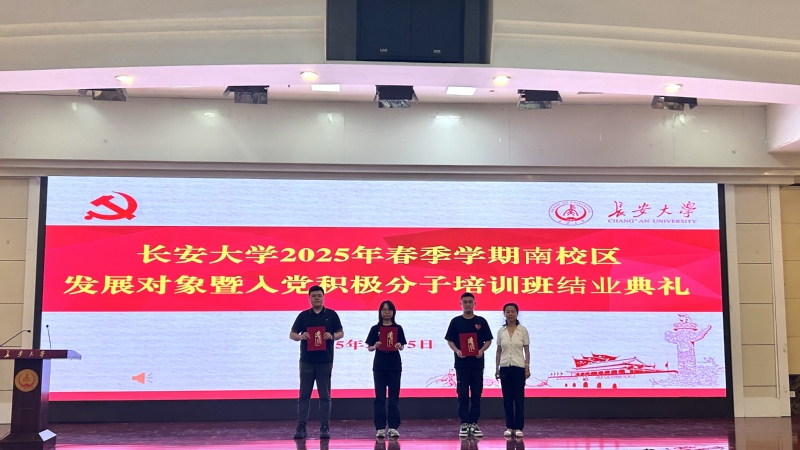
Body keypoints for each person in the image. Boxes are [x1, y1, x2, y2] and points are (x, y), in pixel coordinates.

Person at [290, 285, 344, 440]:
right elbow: (292, 334)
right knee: (304, 395)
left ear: (323, 297)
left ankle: (324, 426)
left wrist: (332, 336)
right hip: (307, 360)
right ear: (309, 298)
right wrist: (301, 337)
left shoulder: (331, 315)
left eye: (319, 295)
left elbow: (340, 332)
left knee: (324, 395)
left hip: (325, 360)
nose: (316, 298)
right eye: (313, 296)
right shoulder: (303, 316)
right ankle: (301, 426)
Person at [445, 292, 493, 438]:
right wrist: (457, 350)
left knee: (477, 394)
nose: (467, 304)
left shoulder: (481, 321)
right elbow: (450, 340)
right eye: (465, 302)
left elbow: (488, 340)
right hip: (461, 364)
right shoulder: (455, 321)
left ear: (474, 303)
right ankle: (464, 423)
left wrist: (481, 350)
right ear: (460, 304)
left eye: (470, 302)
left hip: (477, 363)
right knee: (462, 394)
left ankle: (474, 423)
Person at [366, 300, 407, 439]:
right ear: (380, 312)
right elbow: (369, 347)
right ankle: (380, 428)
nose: (387, 312)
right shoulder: (375, 328)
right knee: (380, 398)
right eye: (384, 309)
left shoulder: (398, 328)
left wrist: (399, 345)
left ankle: (394, 427)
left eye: (389, 309)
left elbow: (402, 345)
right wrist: (375, 346)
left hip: (394, 365)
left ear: (393, 312)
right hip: (380, 365)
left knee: (393, 398)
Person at [494, 302, 530, 438]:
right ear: (504, 314)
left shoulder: (523, 330)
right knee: (507, 399)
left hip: (519, 368)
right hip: (505, 368)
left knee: (519, 398)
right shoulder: (501, 331)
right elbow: (498, 351)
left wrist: (527, 368)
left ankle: (519, 427)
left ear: (517, 313)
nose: (510, 314)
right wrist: (497, 368)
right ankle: (509, 426)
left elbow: (526, 350)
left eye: (512, 311)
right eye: (507, 311)